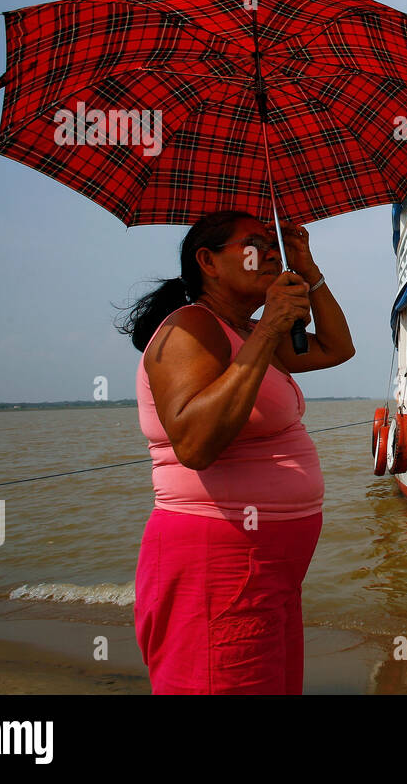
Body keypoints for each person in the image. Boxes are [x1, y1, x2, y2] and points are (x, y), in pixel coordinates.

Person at [118, 210, 354, 694]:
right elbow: (195, 444)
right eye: (254, 244)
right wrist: (270, 327)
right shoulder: (191, 329)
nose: (269, 252)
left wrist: (309, 272)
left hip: (272, 569)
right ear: (209, 261)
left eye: (273, 244)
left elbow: (336, 347)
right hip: (220, 561)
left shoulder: (246, 332)